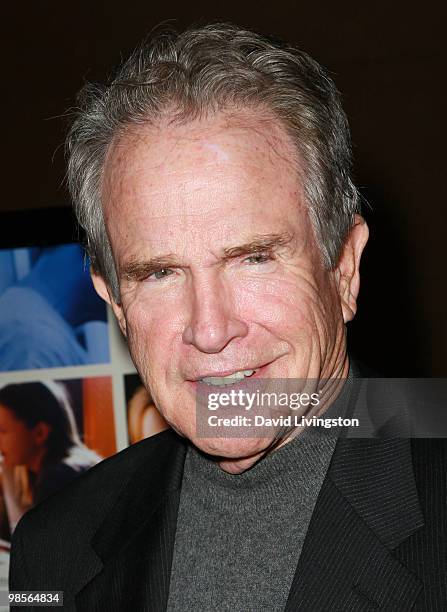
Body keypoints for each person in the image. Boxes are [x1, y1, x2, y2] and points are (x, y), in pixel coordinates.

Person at [9, 23, 446, 610]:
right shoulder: (52, 551)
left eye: (253, 258)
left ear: (343, 268)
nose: (210, 330)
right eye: (159, 273)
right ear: (113, 300)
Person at [0, 382, 101, 532]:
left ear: (40, 433)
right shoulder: (64, 468)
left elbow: (43, 548)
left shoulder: (57, 479)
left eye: (2, 431)